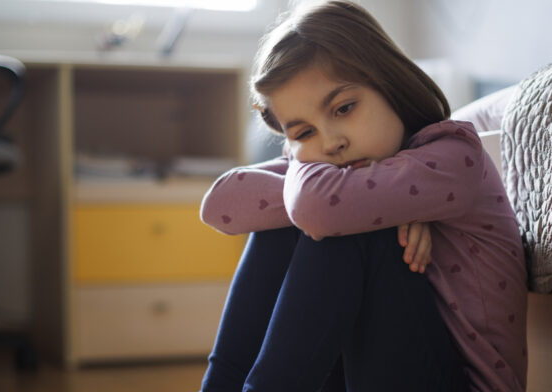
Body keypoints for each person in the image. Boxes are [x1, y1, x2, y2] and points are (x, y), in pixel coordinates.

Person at [198, 1, 527, 391]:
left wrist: (304, 156)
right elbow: (220, 207)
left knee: (343, 225)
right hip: (366, 371)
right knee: (286, 222)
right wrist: (301, 157)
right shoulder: (347, 179)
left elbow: (318, 208)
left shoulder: (455, 156)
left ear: (389, 82)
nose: (332, 142)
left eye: (344, 108)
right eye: (304, 132)